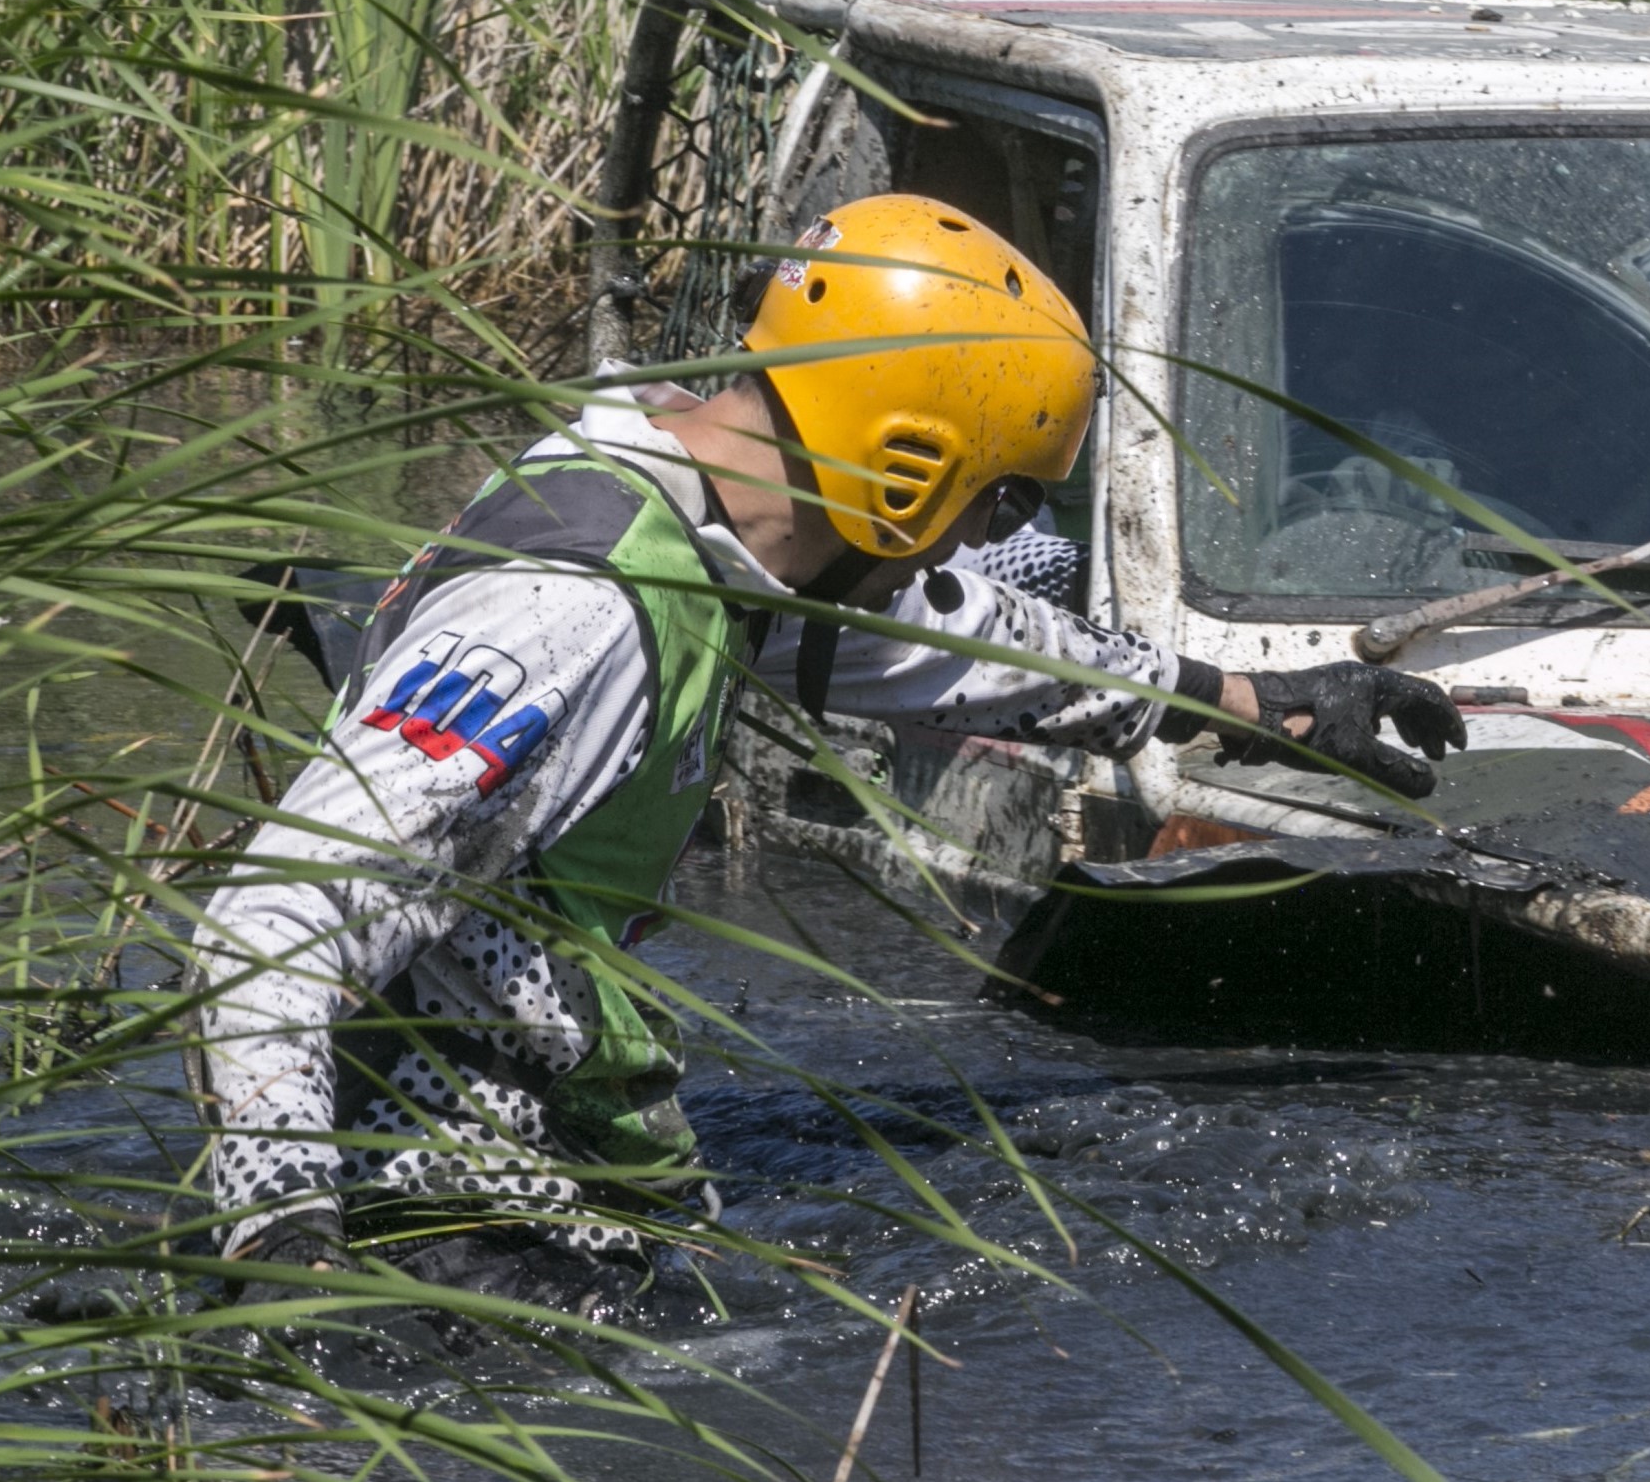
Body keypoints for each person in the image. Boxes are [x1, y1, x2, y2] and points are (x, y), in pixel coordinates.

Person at [198, 193, 1463, 1309]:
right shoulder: (568, 609)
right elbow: (270, 918)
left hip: (546, 1186)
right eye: (1002, 498)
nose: (986, 537)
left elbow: (972, 645)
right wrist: (285, 1247)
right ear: (910, 463)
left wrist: (1262, 701)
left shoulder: (710, 529)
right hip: (437, 1232)